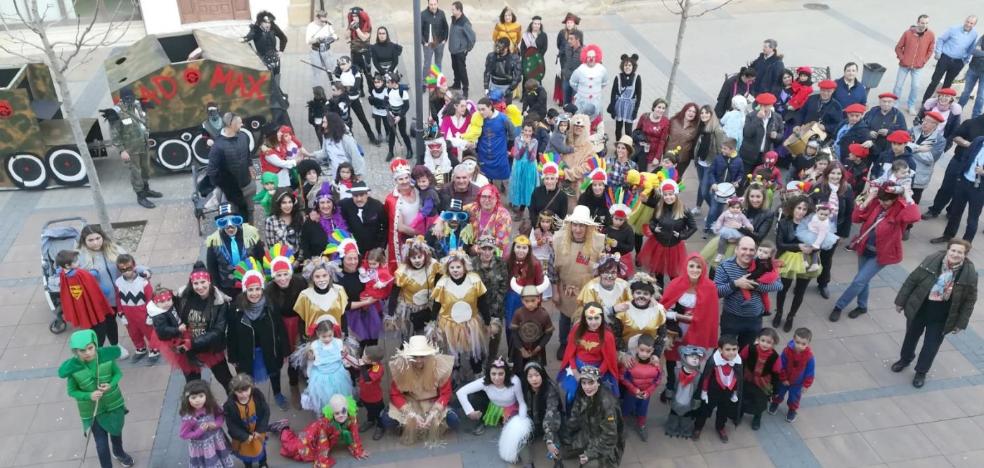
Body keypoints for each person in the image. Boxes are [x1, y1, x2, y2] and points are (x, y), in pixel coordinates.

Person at [892, 239, 978, 388]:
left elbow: (969, 301)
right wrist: (900, 301)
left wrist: (960, 323)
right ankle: (905, 359)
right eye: (953, 250)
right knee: (910, 337)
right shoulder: (932, 260)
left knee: (931, 346)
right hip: (920, 308)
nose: (955, 254)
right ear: (948, 250)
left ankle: (921, 372)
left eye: (960, 252)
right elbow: (912, 280)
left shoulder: (969, 273)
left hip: (941, 317)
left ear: (965, 255)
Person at [830, 181, 920, 321]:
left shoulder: (901, 208)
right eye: (881, 200)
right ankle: (862, 306)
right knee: (863, 280)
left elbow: (914, 217)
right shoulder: (875, 203)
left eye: (887, 201)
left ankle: (839, 306)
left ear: (895, 198)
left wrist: (908, 195)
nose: (883, 203)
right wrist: (868, 199)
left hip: (881, 254)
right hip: (864, 247)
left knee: (858, 281)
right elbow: (856, 218)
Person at [58, 330, 135, 468]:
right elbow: (71, 391)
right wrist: (88, 395)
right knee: (101, 444)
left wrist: (110, 385)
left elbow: (117, 374)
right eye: (82, 350)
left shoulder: (106, 359)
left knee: (116, 430)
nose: (88, 353)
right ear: (76, 352)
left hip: (113, 403)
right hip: (92, 410)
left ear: (95, 345)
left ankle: (118, 451)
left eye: (90, 348)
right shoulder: (73, 370)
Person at [226, 268, 290, 409]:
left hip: (269, 348)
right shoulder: (236, 310)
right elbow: (231, 335)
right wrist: (233, 357)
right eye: (250, 290)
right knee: (248, 377)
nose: (254, 293)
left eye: (257, 289)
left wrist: (285, 350)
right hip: (247, 352)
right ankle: (252, 399)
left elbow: (280, 328)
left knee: (274, 371)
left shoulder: (270, 305)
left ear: (262, 289)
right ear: (245, 291)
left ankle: (277, 393)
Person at [380, 335, 457, 446]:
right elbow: (395, 394)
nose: (418, 361)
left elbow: (446, 393)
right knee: (387, 421)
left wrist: (435, 411)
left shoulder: (439, 366)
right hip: (411, 403)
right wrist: (410, 413)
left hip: (432, 403)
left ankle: (424, 422)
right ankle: (405, 422)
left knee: (454, 421)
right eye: (414, 357)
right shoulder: (402, 368)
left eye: (422, 356)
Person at [554, 206, 607, 359]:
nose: (578, 229)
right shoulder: (558, 240)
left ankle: (581, 344)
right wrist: (556, 292)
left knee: (586, 319)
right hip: (566, 291)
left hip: (587, 292)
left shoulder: (598, 243)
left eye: (582, 225)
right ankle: (564, 343)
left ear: (588, 227)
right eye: (575, 225)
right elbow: (552, 271)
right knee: (564, 319)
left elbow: (604, 269)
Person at [714, 237, 783, 349]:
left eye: (751, 250)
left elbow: (779, 285)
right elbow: (716, 292)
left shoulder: (762, 263)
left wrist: (755, 285)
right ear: (736, 249)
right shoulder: (724, 266)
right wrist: (736, 284)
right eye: (744, 249)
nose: (748, 253)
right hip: (731, 318)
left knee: (747, 351)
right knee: (726, 349)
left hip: (754, 319)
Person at [175, 263, 235, 389]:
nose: (200, 287)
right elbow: (165, 307)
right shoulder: (184, 297)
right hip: (189, 350)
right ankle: (199, 408)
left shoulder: (219, 302)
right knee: (193, 386)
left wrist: (193, 342)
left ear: (209, 281)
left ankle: (233, 407)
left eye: (203, 282)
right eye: (196, 283)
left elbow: (218, 331)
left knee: (227, 381)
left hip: (211, 348)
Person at [560, 365, 625, 467]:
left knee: (588, 465)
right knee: (562, 451)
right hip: (587, 434)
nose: (587, 387)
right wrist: (563, 436)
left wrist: (590, 454)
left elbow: (610, 437)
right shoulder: (581, 393)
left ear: (598, 383)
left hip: (604, 443)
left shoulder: (607, 403)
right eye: (584, 383)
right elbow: (574, 418)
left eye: (591, 382)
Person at [103, 87, 157, 208]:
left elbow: (144, 119)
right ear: (121, 99)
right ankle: (141, 196)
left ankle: (146, 189)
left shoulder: (137, 105)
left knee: (146, 168)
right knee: (135, 172)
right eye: (127, 98)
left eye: (131, 98)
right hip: (130, 149)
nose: (130, 100)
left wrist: (147, 133)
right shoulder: (116, 112)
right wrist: (121, 150)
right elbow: (115, 134)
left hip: (143, 144)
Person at [278, 393, 368, 465]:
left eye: (343, 411)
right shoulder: (327, 424)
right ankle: (284, 428)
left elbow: (354, 435)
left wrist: (358, 450)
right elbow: (323, 442)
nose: (341, 415)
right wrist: (323, 460)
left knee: (299, 450)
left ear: (347, 409)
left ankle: (285, 429)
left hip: (327, 438)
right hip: (314, 434)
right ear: (332, 413)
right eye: (337, 413)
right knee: (293, 449)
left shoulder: (352, 418)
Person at [263, 247, 307, 393]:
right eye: (278, 275)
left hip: (301, 322)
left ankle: (304, 376)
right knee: (291, 357)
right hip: (283, 326)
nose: (282, 278)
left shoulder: (300, 282)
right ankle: (293, 385)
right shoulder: (269, 290)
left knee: (305, 353)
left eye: (285, 274)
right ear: (273, 276)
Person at [639, 179, 696, 284]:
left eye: (670, 194)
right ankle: (660, 294)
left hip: (674, 247)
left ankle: (675, 294)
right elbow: (652, 221)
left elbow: (693, 227)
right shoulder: (659, 207)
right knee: (658, 272)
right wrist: (653, 228)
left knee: (674, 274)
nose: (668, 197)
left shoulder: (684, 210)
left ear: (675, 194)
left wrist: (682, 235)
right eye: (665, 195)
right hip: (658, 244)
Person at [774, 197, 818, 331]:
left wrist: (813, 248)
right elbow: (780, 244)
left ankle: (791, 316)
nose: (801, 212)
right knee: (783, 288)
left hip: (807, 260)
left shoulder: (813, 224)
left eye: (804, 209)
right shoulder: (783, 223)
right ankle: (779, 312)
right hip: (789, 259)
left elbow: (819, 242)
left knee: (800, 291)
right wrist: (798, 246)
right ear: (792, 208)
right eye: (799, 208)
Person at [457, 356, 528, 437]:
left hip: (510, 408)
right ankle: (483, 419)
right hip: (493, 406)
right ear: (489, 373)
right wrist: (469, 411)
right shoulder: (485, 381)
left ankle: (504, 420)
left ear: (506, 373)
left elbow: (522, 403)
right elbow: (461, 392)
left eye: (501, 374)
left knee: (512, 432)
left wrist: (522, 421)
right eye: (493, 374)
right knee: (475, 398)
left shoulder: (515, 381)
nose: (497, 378)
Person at [931, 135, 984, 243]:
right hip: (964, 181)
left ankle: (965, 244)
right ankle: (948, 236)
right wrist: (960, 175)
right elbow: (966, 156)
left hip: (979, 189)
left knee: (972, 218)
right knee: (955, 211)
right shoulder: (979, 140)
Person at [206, 204, 264, 298]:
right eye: (223, 222)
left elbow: (261, 258)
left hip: (252, 286)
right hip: (227, 289)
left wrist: (261, 281)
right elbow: (212, 269)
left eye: (234, 220)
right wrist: (218, 291)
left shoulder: (251, 235)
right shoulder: (214, 241)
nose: (230, 226)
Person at [299, 316, 354, 415]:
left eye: (330, 335)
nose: (327, 339)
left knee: (340, 397)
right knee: (325, 399)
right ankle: (327, 416)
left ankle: (341, 414)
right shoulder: (314, 345)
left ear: (333, 332)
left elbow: (344, 358)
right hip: (321, 377)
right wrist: (310, 368)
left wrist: (346, 358)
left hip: (338, 375)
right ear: (317, 334)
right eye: (324, 336)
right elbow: (311, 362)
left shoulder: (338, 343)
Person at [207, 113, 256, 223]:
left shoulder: (244, 136)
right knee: (234, 217)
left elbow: (248, 156)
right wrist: (226, 186)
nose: (242, 124)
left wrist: (253, 170)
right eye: (239, 122)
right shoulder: (218, 146)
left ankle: (251, 235)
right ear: (230, 124)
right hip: (231, 192)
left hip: (247, 184)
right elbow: (212, 172)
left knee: (250, 211)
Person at [694, 335, 743, 442]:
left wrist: (735, 392)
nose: (731, 352)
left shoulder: (738, 361)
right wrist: (704, 391)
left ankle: (720, 427)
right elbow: (706, 377)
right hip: (713, 390)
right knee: (705, 409)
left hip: (728, 391)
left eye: (734, 349)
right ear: (720, 349)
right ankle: (698, 426)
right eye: (728, 349)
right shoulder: (713, 361)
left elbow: (738, 378)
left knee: (724, 410)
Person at [922, 15, 979, 103]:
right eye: (967, 21)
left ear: (974, 24)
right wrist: (938, 52)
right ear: (965, 20)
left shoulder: (974, 34)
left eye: (971, 23)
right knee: (935, 81)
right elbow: (941, 39)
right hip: (945, 58)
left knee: (947, 85)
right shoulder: (953, 29)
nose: (968, 24)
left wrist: (965, 61)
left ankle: (940, 104)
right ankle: (925, 102)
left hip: (958, 62)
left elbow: (971, 48)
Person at [179, 380, 235, 468]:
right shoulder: (189, 417)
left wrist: (216, 424)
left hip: (217, 440)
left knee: (221, 457)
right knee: (209, 463)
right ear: (187, 399)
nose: (197, 400)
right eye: (193, 398)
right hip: (203, 447)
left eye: (201, 396)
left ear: (207, 396)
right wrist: (199, 431)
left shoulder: (211, 406)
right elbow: (184, 434)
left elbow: (220, 415)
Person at [112, 254, 157, 363]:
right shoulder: (118, 282)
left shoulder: (143, 282)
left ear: (134, 266)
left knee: (149, 332)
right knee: (133, 332)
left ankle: (154, 349)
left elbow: (150, 298)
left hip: (143, 312)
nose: (127, 271)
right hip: (128, 313)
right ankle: (140, 348)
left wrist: (150, 314)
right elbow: (118, 299)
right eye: (123, 269)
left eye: (129, 268)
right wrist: (121, 313)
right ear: (119, 269)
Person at [618, 333, 662, 441]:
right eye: (642, 350)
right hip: (631, 393)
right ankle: (621, 425)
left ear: (652, 351)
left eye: (648, 351)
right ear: (637, 349)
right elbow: (622, 377)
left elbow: (658, 380)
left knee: (643, 410)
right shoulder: (630, 363)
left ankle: (641, 425)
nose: (644, 354)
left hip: (646, 395)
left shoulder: (655, 365)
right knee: (626, 409)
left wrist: (648, 392)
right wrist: (634, 390)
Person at [223, 374, 272, 468]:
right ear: (234, 391)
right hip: (243, 437)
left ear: (251, 387)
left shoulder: (257, 397)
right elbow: (231, 424)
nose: (244, 394)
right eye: (240, 392)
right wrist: (244, 436)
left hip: (257, 432)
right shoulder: (230, 406)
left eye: (246, 390)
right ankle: (248, 465)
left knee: (261, 449)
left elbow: (266, 412)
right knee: (245, 453)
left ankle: (263, 463)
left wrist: (260, 430)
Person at [519, 362, 563, 465]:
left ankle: (557, 460)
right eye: (530, 376)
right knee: (519, 437)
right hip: (531, 422)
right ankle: (528, 463)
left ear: (542, 375)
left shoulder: (550, 388)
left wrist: (549, 439)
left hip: (548, 422)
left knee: (554, 436)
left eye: (537, 375)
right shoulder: (523, 388)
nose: (534, 379)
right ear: (526, 378)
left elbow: (551, 413)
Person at [767, 328, 815, 423]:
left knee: (794, 398)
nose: (799, 346)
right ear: (793, 339)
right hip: (783, 381)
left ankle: (792, 410)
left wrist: (806, 385)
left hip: (797, 383)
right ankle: (775, 403)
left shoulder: (809, 357)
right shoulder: (786, 351)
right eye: (797, 342)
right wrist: (783, 378)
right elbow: (781, 365)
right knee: (778, 393)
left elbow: (810, 372)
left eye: (803, 344)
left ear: (808, 343)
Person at [739, 328, 781, 431]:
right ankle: (740, 413)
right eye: (763, 340)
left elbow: (776, 374)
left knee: (760, 401)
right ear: (758, 339)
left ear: (774, 343)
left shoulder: (775, 357)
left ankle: (757, 417)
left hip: (763, 383)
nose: (765, 344)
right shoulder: (750, 348)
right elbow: (741, 360)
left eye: (769, 342)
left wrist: (775, 389)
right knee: (744, 396)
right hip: (748, 378)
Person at [894, 14, 936, 112]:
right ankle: (895, 105)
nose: (924, 25)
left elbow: (930, 50)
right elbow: (898, 47)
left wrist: (923, 61)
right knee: (898, 86)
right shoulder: (907, 33)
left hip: (918, 67)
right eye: (922, 23)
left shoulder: (930, 35)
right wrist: (902, 58)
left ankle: (911, 105)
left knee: (915, 86)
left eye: (926, 23)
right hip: (904, 65)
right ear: (917, 22)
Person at [663, 345, 705, 439]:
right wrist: (668, 394)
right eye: (691, 356)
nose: (695, 359)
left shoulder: (699, 375)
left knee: (687, 416)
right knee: (674, 414)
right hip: (677, 397)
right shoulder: (676, 371)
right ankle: (671, 429)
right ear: (684, 358)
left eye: (697, 357)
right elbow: (671, 382)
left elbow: (699, 389)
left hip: (689, 399)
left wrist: (697, 400)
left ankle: (685, 430)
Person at [334, 56, 379, 144]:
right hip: (345, 100)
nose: (341, 66)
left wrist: (345, 87)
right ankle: (351, 140)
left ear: (350, 63)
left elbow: (356, 87)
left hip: (355, 100)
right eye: (340, 65)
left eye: (344, 64)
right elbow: (338, 87)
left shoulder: (356, 72)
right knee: (347, 121)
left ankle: (371, 136)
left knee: (363, 119)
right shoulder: (338, 73)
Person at [693, 105, 727, 214]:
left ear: (712, 115)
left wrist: (717, 166)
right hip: (700, 162)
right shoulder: (701, 126)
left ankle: (715, 211)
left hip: (710, 164)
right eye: (702, 113)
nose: (703, 115)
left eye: (706, 113)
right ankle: (698, 207)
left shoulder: (717, 130)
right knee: (701, 185)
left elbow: (721, 150)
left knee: (704, 191)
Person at [740, 93, 785, 174]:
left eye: (766, 105)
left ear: (771, 105)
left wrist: (776, 136)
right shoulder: (751, 116)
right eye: (762, 105)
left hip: (765, 157)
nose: (764, 108)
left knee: (758, 180)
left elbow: (781, 135)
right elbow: (747, 133)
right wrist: (757, 119)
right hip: (749, 154)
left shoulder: (777, 118)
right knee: (744, 177)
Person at [340, 181, 388, 255]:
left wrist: (381, 247)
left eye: (362, 195)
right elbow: (329, 206)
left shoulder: (377, 205)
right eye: (355, 196)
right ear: (352, 195)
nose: (359, 199)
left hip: (375, 251)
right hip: (354, 251)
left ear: (367, 194)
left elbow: (386, 226)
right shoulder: (345, 205)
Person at [569, 44, 608, 123]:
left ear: (596, 57)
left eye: (593, 57)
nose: (591, 59)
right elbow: (572, 82)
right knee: (580, 121)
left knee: (596, 121)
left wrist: (595, 91)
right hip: (582, 101)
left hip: (596, 101)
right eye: (589, 57)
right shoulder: (579, 70)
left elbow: (604, 82)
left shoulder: (602, 70)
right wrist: (581, 91)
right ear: (585, 57)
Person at [357, 345, 387, 440]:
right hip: (364, 395)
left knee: (379, 413)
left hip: (375, 398)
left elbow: (367, 379)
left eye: (365, 357)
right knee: (369, 410)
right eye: (363, 355)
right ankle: (370, 420)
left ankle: (381, 426)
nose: (362, 358)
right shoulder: (368, 364)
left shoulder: (378, 368)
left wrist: (361, 366)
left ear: (374, 362)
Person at [244, 11, 287, 76]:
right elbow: (249, 37)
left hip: (275, 58)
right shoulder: (256, 29)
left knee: (276, 77)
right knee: (267, 80)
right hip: (263, 61)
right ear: (260, 23)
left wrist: (281, 51)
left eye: (269, 23)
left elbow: (283, 38)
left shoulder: (273, 27)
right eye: (265, 23)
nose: (268, 25)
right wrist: (244, 39)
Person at [448, 2, 476, 95]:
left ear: (459, 10)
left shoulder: (464, 22)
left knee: (461, 70)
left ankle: (465, 88)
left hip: (460, 51)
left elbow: (472, 37)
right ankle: (457, 84)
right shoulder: (454, 19)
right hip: (453, 50)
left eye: (453, 9)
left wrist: (467, 49)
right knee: (455, 68)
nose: (451, 11)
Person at [306, 10, 338, 90]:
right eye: (321, 21)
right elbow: (308, 41)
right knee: (317, 72)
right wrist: (318, 40)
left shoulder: (327, 24)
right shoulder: (311, 26)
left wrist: (332, 38)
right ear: (317, 18)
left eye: (324, 20)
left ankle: (334, 86)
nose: (323, 23)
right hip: (315, 51)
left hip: (327, 50)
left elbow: (334, 35)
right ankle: (317, 90)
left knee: (331, 69)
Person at [346, 7, 373, 95]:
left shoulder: (367, 25)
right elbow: (346, 36)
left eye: (356, 16)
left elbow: (364, 38)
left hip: (365, 53)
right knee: (357, 73)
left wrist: (357, 28)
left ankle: (372, 90)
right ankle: (360, 90)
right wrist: (350, 27)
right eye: (353, 16)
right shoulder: (352, 24)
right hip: (354, 53)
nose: (354, 18)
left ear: (361, 16)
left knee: (367, 73)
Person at [958, 34, 984, 118]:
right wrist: (978, 52)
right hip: (973, 69)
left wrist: (980, 52)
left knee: (981, 97)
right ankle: (957, 110)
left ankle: (975, 117)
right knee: (966, 92)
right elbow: (974, 51)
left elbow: (978, 52)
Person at [520, 16, 548, 89]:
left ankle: (538, 94)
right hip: (527, 60)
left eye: (538, 24)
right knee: (526, 77)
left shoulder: (543, 35)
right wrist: (525, 57)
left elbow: (544, 48)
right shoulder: (526, 35)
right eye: (535, 23)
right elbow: (522, 48)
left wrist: (537, 57)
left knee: (537, 77)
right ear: (532, 24)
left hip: (538, 60)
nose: (537, 25)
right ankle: (525, 95)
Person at [421, 0, 449, 71]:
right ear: (428, 4)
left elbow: (446, 27)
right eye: (431, 4)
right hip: (428, 45)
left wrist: (444, 40)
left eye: (434, 4)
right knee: (427, 64)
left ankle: (437, 80)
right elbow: (419, 30)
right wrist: (424, 43)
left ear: (437, 4)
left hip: (439, 44)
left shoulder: (441, 13)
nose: (433, 7)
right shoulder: (423, 14)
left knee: (438, 63)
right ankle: (425, 81)